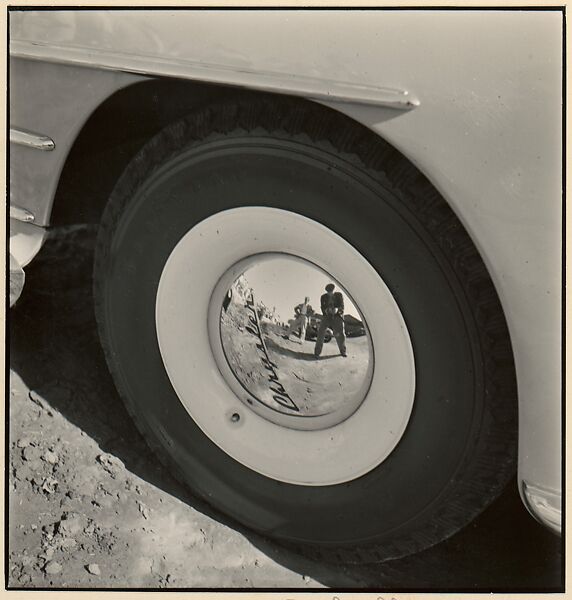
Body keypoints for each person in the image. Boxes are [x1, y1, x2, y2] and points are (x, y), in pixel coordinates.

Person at [314, 283, 347, 358]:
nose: (330, 293)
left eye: (331, 292)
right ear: (326, 291)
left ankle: (343, 351)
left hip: (337, 316)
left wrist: (337, 310)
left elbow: (342, 306)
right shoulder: (323, 297)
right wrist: (326, 310)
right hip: (326, 316)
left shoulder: (339, 295)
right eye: (328, 292)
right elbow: (322, 307)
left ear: (333, 290)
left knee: (340, 334)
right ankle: (317, 352)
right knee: (321, 332)